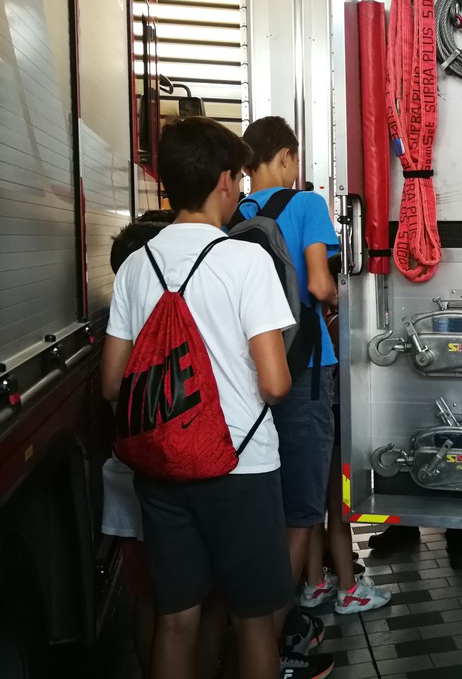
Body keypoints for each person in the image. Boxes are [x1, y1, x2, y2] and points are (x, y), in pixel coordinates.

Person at [100, 118, 331, 679]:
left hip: (161, 468)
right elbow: (276, 383)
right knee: (253, 618)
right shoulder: (245, 260)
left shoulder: (136, 266)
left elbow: (112, 384)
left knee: (176, 618)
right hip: (242, 466)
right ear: (224, 180)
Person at [239, 116, 390, 617]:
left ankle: (316, 583)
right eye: (295, 159)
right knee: (315, 491)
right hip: (306, 365)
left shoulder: (232, 216)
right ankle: (284, 627)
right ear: (284, 156)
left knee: (282, 487)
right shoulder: (306, 203)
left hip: (253, 370)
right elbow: (322, 286)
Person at [103, 210, 230, 679]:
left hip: (128, 467)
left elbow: (112, 389)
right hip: (166, 468)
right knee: (192, 596)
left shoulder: (124, 306)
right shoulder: (166, 319)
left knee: (147, 594)